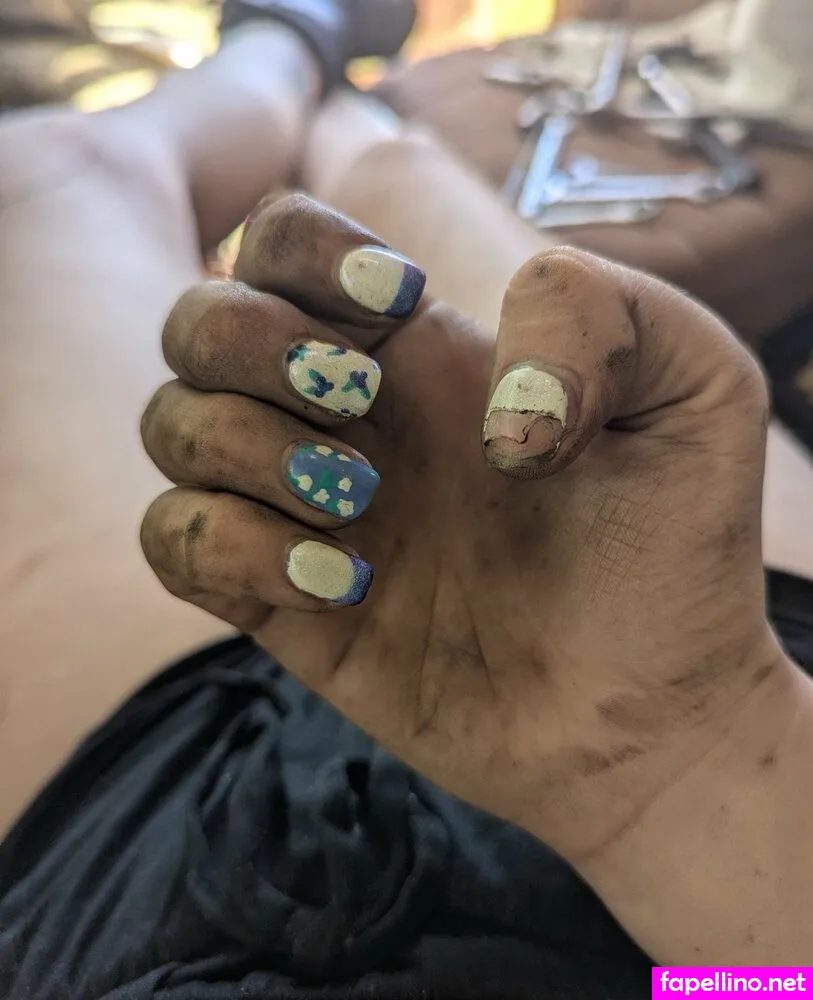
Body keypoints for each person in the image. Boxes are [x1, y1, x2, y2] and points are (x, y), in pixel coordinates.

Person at [1, 1, 813, 996]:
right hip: (717, 713)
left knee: (53, 173)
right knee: (394, 178)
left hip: (139, 871)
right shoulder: (697, 727)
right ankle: (323, 81)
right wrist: (696, 767)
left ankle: (285, 41)